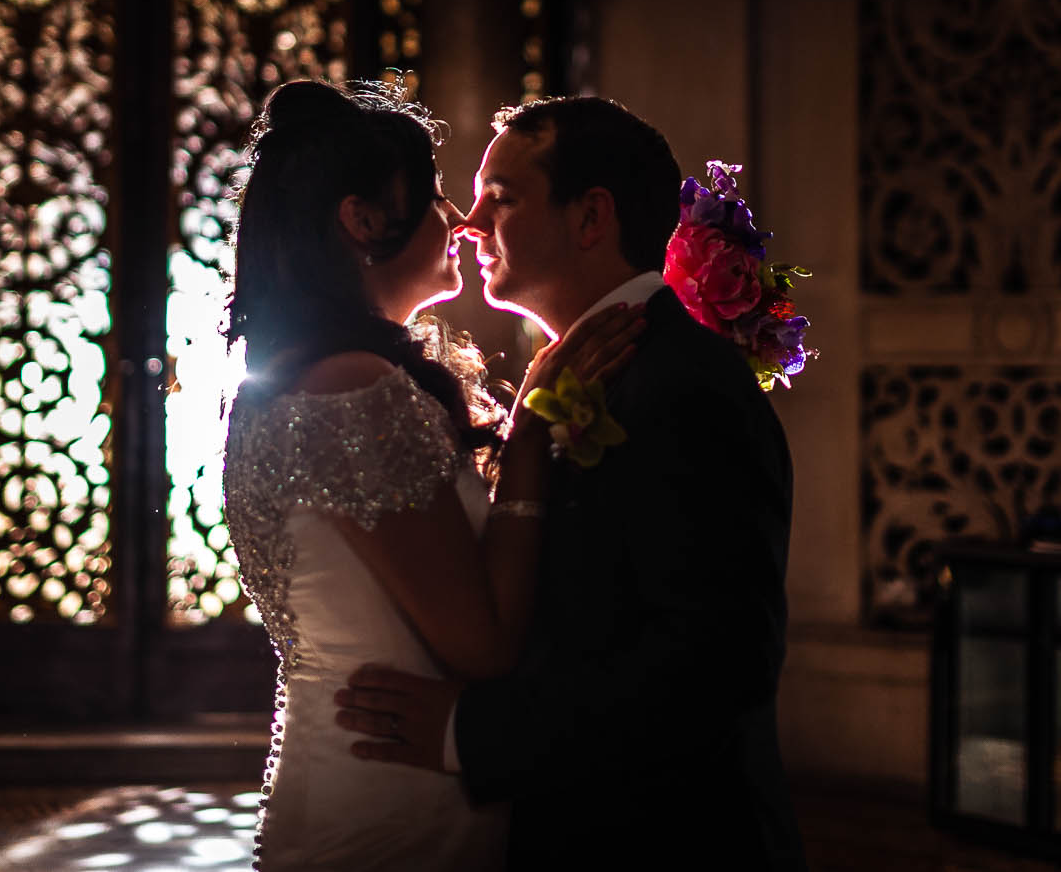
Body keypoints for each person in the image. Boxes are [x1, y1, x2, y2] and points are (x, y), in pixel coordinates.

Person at [335, 96, 807, 870]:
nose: (468, 223)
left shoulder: (684, 383)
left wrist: (470, 732)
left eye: (503, 198)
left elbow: (715, 665)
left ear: (591, 219)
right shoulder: (592, 372)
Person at [221, 80, 641, 872]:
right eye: (437, 197)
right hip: (393, 799)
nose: (458, 222)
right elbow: (481, 646)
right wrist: (531, 433)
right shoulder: (351, 391)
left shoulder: (311, 376)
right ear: (362, 220)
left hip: (361, 771)